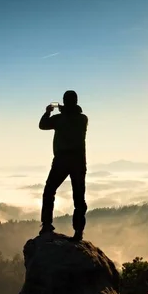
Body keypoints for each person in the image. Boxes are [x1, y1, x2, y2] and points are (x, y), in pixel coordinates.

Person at [38, 90, 88, 240]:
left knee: (49, 191)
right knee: (79, 198)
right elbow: (72, 118)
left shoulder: (59, 119)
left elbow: (42, 125)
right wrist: (64, 109)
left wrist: (48, 112)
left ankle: (47, 225)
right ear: (76, 101)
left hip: (61, 160)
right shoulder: (83, 119)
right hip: (79, 161)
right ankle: (78, 232)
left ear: (64, 102)